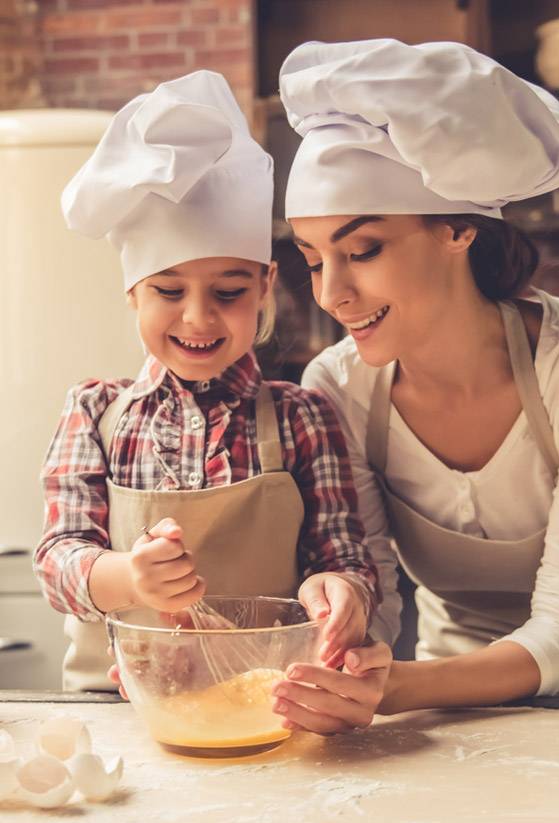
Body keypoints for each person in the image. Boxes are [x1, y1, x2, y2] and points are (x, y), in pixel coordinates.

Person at [267, 39, 559, 734]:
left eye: (363, 251)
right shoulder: (337, 387)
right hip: (444, 712)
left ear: (458, 229)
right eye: (313, 260)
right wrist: (341, 632)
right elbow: (374, 599)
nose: (332, 294)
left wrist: (398, 688)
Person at [34, 70, 379, 693]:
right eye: (169, 291)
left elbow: (343, 556)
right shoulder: (95, 412)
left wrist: (343, 592)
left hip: (264, 704)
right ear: (133, 292)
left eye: (228, 291)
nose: (198, 317)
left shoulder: (304, 416)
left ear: (265, 287)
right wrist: (129, 578)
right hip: (119, 709)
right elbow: (59, 559)